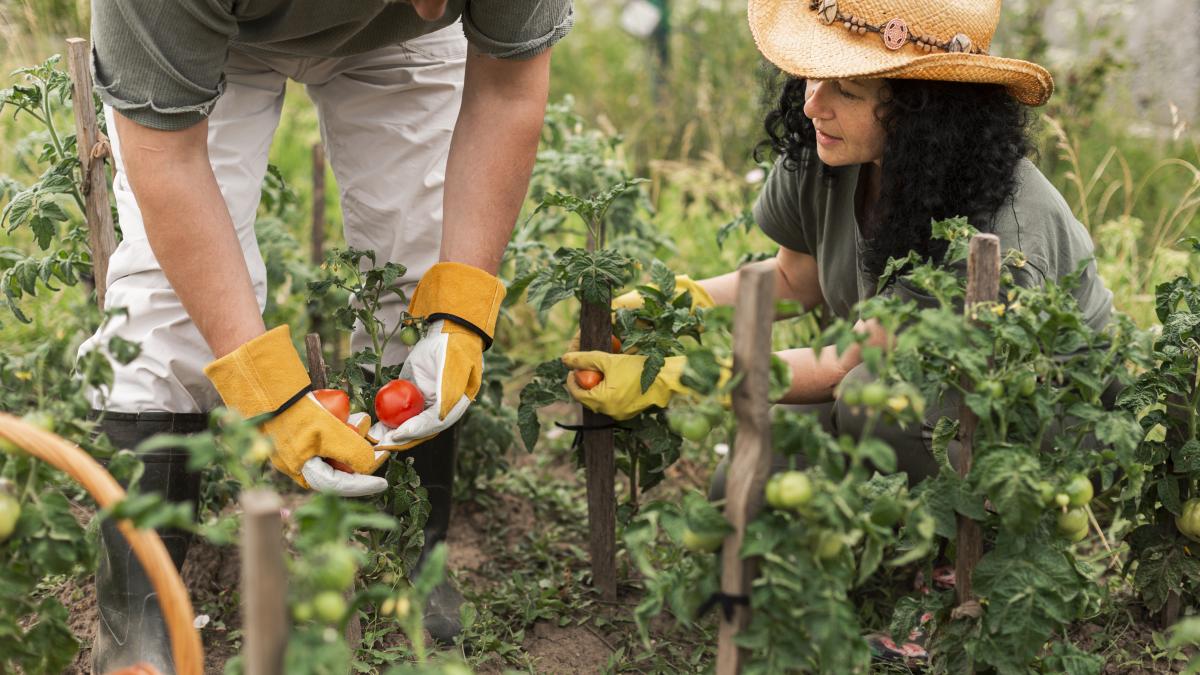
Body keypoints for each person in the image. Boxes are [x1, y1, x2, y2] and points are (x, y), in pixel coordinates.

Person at [79, 0, 572, 670]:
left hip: (397, 42)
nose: (437, 2)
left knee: (419, 258)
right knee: (166, 308)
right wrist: (269, 391)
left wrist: (459, 312)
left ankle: (411, 558)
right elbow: (166, 158)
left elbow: (509, 87)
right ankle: (136, 618)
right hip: (211, 36)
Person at [564, 0, 1112, 489]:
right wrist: (678, 303)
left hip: (1026, 423)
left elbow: (843, 364)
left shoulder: (994, 229)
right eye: (813, 77)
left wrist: (677, 376)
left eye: (846, 90)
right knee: (741, 494)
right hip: (892, 391)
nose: (812, 106)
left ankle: (957, 551)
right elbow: (793, 280)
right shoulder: (832, 147)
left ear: (924, 114)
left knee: (870, 402)